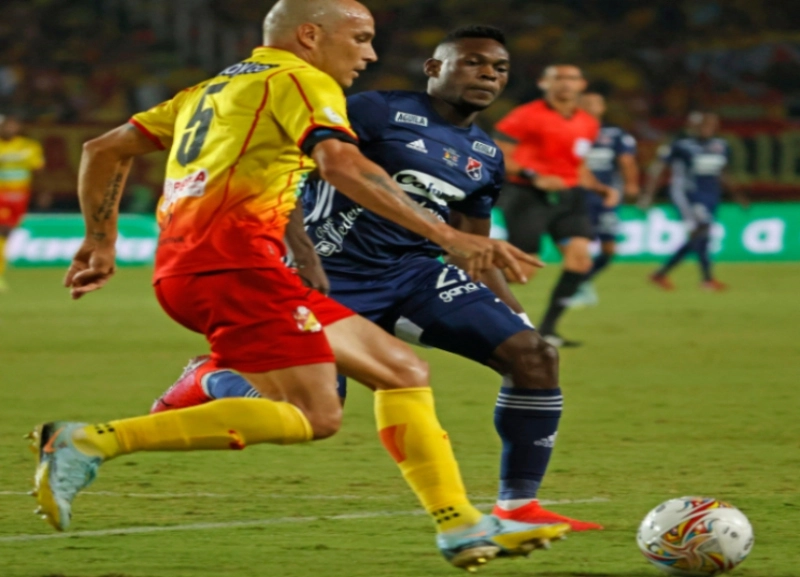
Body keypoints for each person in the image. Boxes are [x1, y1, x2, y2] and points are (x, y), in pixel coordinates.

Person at [30, 0, 563, 570]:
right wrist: (448, 237)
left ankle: (458, 525)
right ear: (310, 35)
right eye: (359, 38)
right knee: (316, 415)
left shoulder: (214, 88)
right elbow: (341, 165)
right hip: (237, 266)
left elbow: (104, 148)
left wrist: (100, 240)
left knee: (402, 370)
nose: (370, 54)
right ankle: (92, 439)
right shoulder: (304, 81)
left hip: (205, 264)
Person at [150, 26, 601, 532]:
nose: (487, 75)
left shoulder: (487, 156)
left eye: (499, 68)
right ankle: (209, 376)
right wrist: (298, 249)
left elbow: (471, 246)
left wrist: (516, 315)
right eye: (472, 62)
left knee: (534, 356)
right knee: (309, 410)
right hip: (329, 276)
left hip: (413, 276)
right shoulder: (375, 111)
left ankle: (518, 508)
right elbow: (286, 168)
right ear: (434, 68)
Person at [493, 65, 620, 348]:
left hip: (569, 196)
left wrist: (599, 187)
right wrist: (533, 175)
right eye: (558, 78)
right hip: (527, 194)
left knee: (580, 260)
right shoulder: (524, 116)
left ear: (582, 84)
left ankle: (548, 330)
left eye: (572, 78)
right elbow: (497, 154)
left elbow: (578, 164)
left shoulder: (587, 122)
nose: (565, 83)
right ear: (543, 83)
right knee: (521, 273)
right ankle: (467, 285)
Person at [640, 111, 746, 291]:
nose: (707, 128)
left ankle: (661, 273)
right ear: (695, 126)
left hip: (711, 195)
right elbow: (658, 168)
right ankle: (706, 280)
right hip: (688, 194)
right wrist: (648, 195)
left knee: (700, 235)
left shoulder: (721, 145)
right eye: (704, 124)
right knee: (702, 230)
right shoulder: (681, 145)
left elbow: (722, 171)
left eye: (711, 125)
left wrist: (737, 195)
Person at [568, 89, 640, 308]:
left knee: (609, 249)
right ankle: (577, 287)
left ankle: (583, 281)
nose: (591, 106)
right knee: (579, 246)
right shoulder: (570, 130)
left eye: (596, 102)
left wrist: (631, 184)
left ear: (603, 107)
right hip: (577, 197)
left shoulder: (615, 134)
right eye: (586, 102)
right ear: (578, 106)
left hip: (606, 199)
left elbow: (627, 161)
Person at [0, 114, 45, 292]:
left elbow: (38, 171)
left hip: (20, 197)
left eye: (13, 125)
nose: (9, 129)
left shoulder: (29, 146)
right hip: (1, 196)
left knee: (7, 233)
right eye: (6, 126)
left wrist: (43, 192)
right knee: (3, 230)